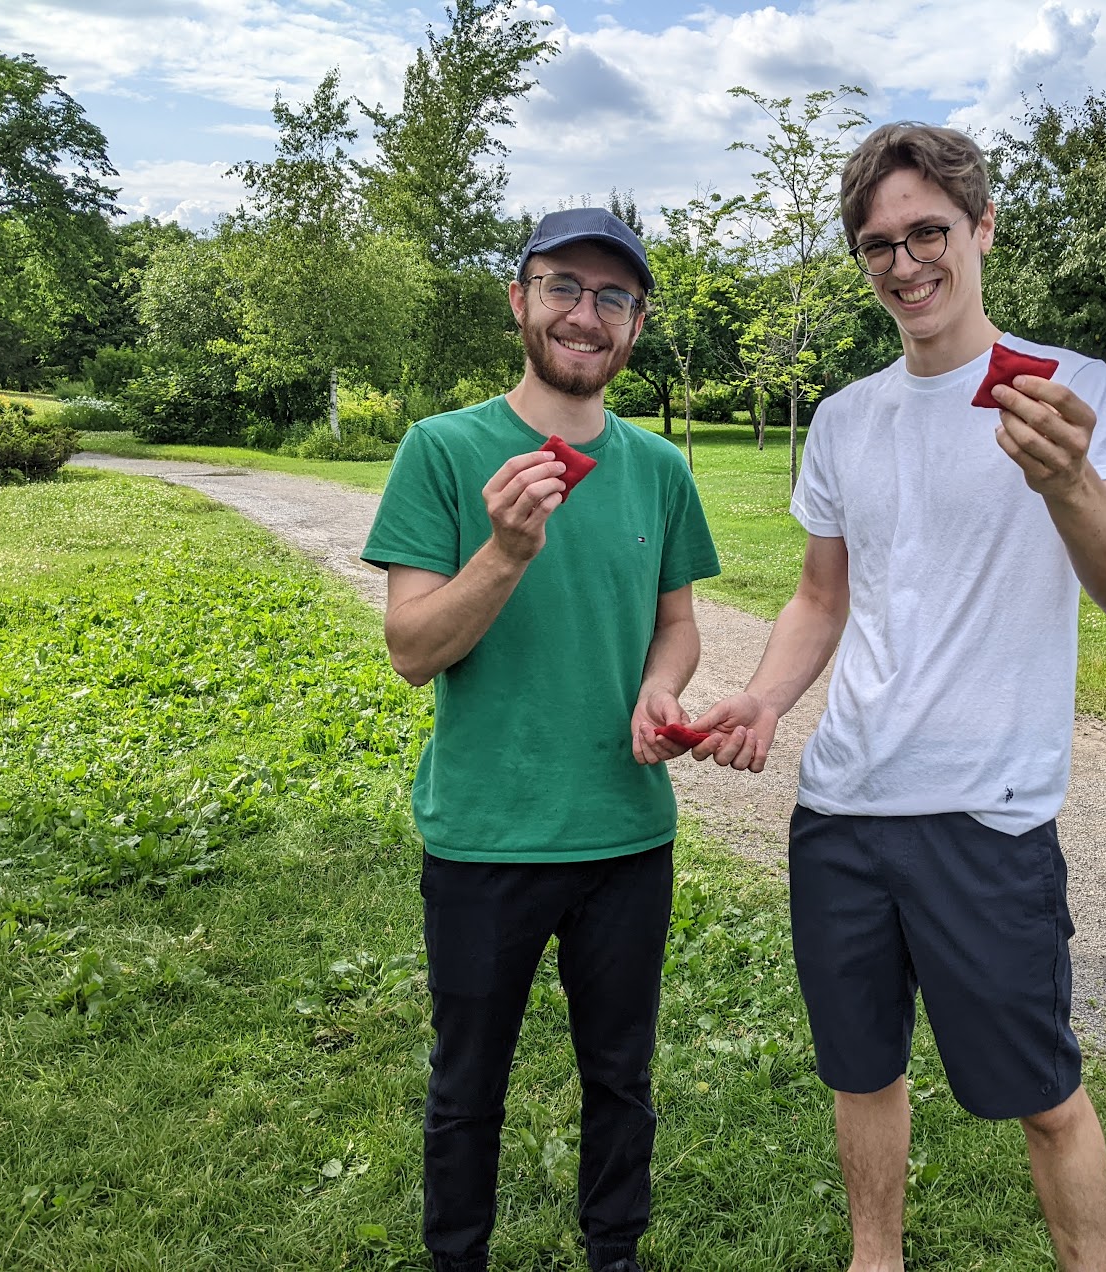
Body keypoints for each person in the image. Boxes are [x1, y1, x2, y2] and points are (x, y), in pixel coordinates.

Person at [687, 124, 1106, 1272]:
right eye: (877, 244)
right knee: (862, 1070)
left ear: (983, 228)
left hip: (984, 811)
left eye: (927, 233)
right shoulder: (849, 417)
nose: (904, 264)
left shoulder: (1068, 391)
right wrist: (761, 700)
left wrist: (1065, 487)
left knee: (1041, 1094)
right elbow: (819, 596)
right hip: (843, 808)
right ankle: (875, 1259)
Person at [361, 207, 721, 1272]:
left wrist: (659, 691)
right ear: (518, 300)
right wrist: (507, 550)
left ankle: (615, 1253)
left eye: (614, 297)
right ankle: (455, 1258)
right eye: (563, 286)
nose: (586, 313)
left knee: (622, 1076)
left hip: (624, 834)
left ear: (636, 327)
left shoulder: (657, 469)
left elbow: (677, 622)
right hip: (484, 833)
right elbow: (413, 649)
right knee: (466, 1085)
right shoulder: (444, 449)